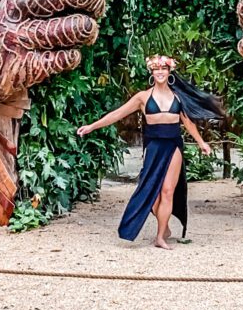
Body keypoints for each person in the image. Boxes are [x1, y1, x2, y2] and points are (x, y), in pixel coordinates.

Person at [76, 55, 221, 249]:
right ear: (152, 72)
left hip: (173, 145)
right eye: (156, 69)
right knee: (151, 192)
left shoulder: (178, 96)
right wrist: (92, 127)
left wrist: (202, 142)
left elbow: (187, 122)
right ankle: (165, 226)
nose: (160, 72)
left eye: (164, 68)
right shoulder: (143, 97)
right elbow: (117, 114)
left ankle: (160, 236)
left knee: (168, 191)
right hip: (153, 146)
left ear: (169, 72)